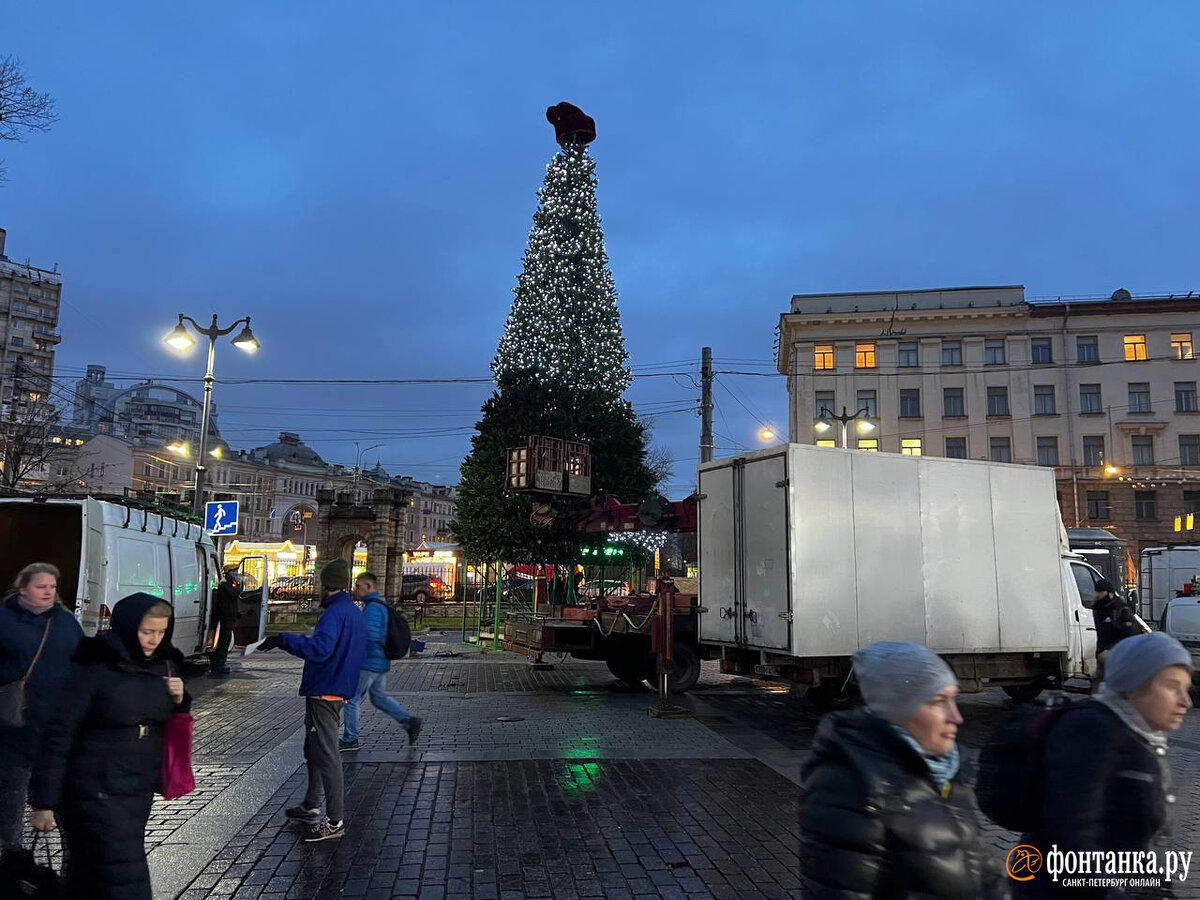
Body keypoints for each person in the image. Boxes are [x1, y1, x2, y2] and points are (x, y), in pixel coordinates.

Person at [798, 641, 1002, 898]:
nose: (956, 717)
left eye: (954, 699)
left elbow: (986, 873)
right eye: (939, 701)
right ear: (898, 709)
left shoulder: (947, 774)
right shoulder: (850, 790)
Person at [29, 593, 190, 900]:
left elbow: (172, 719)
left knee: (90, 876)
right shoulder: (94, 663)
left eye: (161, 632)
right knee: (123, 876)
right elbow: (59, 732)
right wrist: (44, 801)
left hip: (136, 791)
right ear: (129, 626)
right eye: (147, 632)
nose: (154, 640)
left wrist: (182, 700)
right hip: (92, 790)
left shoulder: (165, 665)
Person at [1018, 632, 1194, 898]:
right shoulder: (1092, 730)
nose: (1186, 701)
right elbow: (1071, 839)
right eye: (1172, 686)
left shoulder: (1137, 735)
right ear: (1134, 686)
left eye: (1186, 688)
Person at [258, 558, 365, 842]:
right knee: (314, 750)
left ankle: (334, 821)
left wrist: (285, 640)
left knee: (327, 755)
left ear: (325, 584)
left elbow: (320, 649)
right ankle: (310, 804)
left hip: (324, 690)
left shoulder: (334, 613)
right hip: (337, 687)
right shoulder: (352, 611)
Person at [0, 563, 83, 849]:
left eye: (52, 587)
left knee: (60, 793)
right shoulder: (4, 619)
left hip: (56, 725)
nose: (48, 592)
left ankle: (72, 860)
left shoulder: (65, 622)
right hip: (14, 725)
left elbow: (82, 662)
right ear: (23, 588)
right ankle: (12, 858)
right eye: (41, 586)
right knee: (12, 795)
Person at [339, 571, 421, 752]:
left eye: (358, 586)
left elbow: (370, 635)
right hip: (379, 662)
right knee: (378, 698)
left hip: (369, 662)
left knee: (351, 698)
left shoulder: (373, 608)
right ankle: (408, 721)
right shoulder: (377, 605)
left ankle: (350, 738)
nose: (355, 589)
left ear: (368, 587)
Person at [1092, 579, 1142, 688]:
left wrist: (1111, 650)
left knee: (1116, 689)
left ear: (1109, 593)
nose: (1098, 595)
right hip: (1102, 656)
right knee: (1100, 690)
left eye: (1100, 592)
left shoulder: (1121, 609)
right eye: (1097, 592)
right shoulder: (1098, 609)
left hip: (1118, 657)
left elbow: (1131, 635)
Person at [208, 569, 241, 675]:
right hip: (225, 617)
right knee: (224, 640)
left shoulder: (229, 585)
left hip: (229, 616)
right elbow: (234, 594)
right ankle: (218, 664)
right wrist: (237, 584)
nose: (236, 575)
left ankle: (220, 663)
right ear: (229, 574)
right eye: (234, 573)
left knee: (225, 640)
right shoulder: (225, 585)